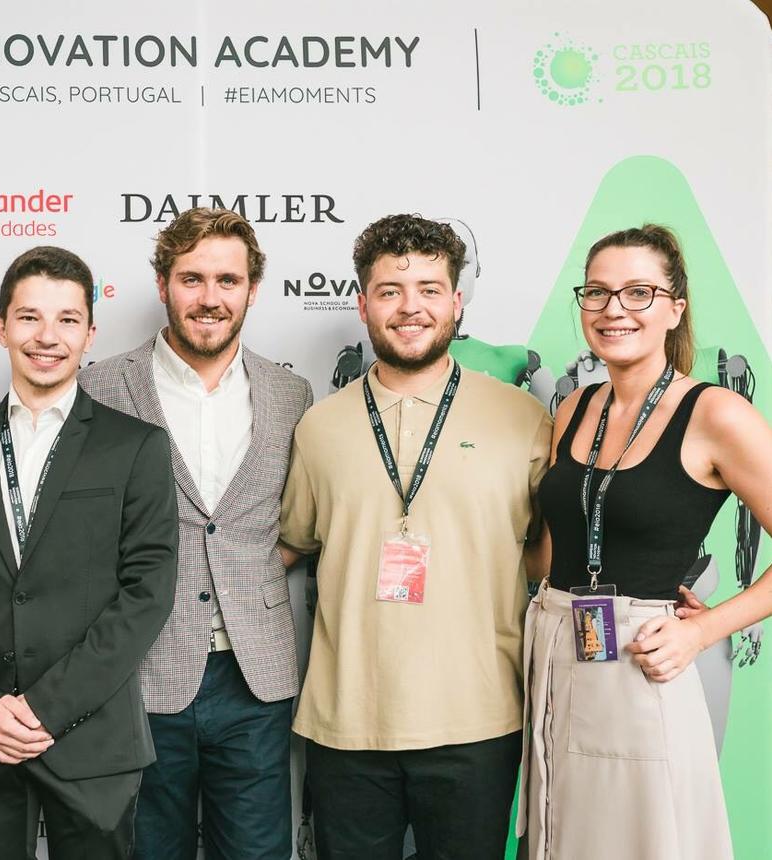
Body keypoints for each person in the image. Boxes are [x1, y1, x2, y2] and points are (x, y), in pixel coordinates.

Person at [279, 213, 552, 859]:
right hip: (345, 721)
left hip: (478, 719)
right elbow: (290, 544)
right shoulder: (318, 426)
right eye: (390, 291)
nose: (410, 308)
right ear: (362, 305)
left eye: (429, 289)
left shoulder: (523, 417)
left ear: (457, 302)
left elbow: (548, 556)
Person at [0, 246, 178, 860]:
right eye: (29, 317)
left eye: (66, 319)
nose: (47, 337)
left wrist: (45, 709)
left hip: (92, 740)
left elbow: (148, 593)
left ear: (89, 334)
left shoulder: (136, 448)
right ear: (1, 327)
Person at [519, 225, 772, 859]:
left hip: (642, 656)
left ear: (674, 308)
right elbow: (551, 549)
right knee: (558, 835)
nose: (614, 310)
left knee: (643, 839)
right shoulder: (575, 407)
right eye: (598, 292)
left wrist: (703, 630)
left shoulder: (716, 413)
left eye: (638, 292)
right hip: (554, 640)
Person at [80, 207, 313, 860]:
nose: (210, 298)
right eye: (192, 279)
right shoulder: (100, 388)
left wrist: (251, 568)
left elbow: (301, 519)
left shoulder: (290, 394)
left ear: (251, 290)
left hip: (255, 675)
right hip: (142, 670)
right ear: (163, 284)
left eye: (227, 280)